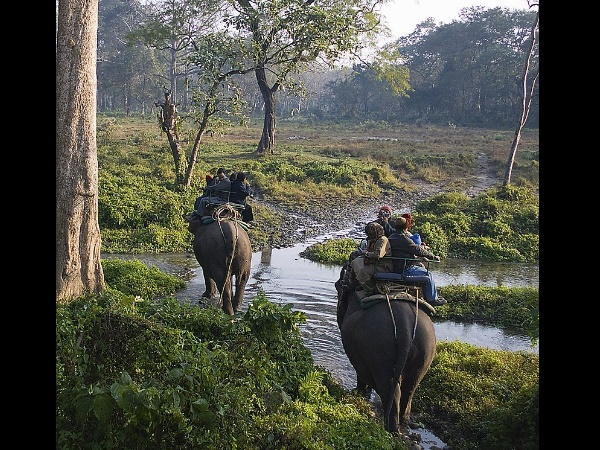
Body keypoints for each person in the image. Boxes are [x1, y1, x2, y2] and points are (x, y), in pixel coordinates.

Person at [387, 216, 447, 306]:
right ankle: (432, 299)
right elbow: (418, 250)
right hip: (405, 269)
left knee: (420, 266)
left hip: (396, 266)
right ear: (406, 227)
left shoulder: (392, 237)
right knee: (428, 275)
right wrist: (432, 256)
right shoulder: (403, 240)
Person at [349, 222, 394, 295]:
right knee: (355, 262)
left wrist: (366, 253)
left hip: (383, 266)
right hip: (374, 262)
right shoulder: (374, 240)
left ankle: (370, 289)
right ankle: (359, 283)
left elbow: (378, 255)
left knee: (363, 272)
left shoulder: (382, 240)